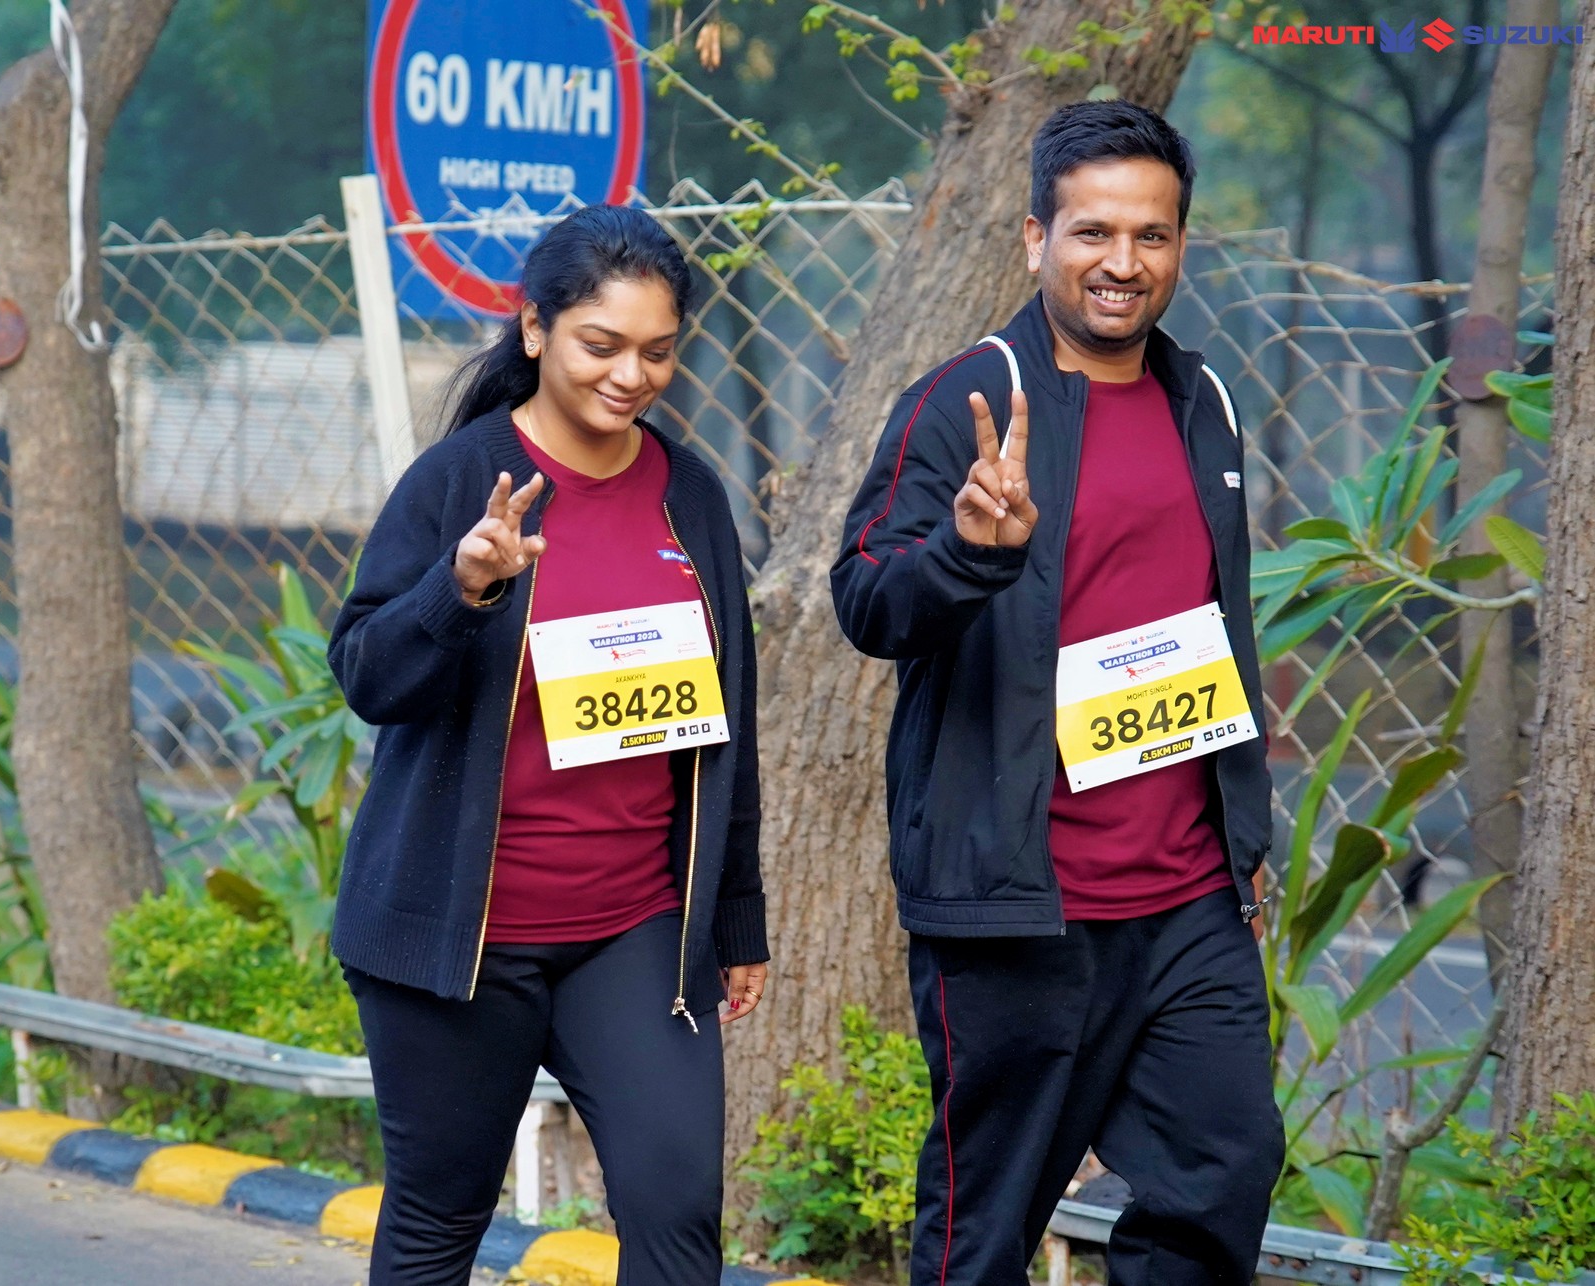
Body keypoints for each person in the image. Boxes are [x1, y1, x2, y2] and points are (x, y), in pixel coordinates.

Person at [831, 100, 1282, 1286]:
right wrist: (966, 553)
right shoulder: (967, 397)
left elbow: (1216, 622)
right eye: (1092, 232)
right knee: (983, 1226)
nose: (1122, 262)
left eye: (1151, 235)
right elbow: (866, 601)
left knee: (1222, 1177)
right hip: (1021, 904)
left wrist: (1242, 834)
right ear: (1036, 237)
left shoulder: (1204, 400)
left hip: (1188, 898)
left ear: (1179, 244)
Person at [327, 204, 769, 1286]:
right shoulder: (459, 481)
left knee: (677, 1210)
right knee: (439, 1220)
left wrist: (734, 914)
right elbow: (368, 676)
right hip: (461, 936)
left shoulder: (690, 493)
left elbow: (730, 717)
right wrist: (461, 587)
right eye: (601, 344)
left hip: (635, 929)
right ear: (534, 329)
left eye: (658, 351)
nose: (631, 375)